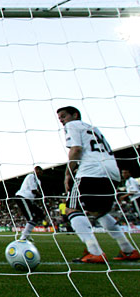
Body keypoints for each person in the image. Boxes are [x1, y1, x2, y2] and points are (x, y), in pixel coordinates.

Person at [57, 106, 139, 263]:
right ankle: (128, 250)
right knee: (98, 212)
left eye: (64, 116)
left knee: (71, 209)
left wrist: (68, 173)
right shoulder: (94, 129)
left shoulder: (72, 125)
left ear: (75, 115)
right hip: (112, 172)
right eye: (60, 118)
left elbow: (76, 149)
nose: (62, 120)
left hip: (91, 171)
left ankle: (95, 251)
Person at [13, 166, 45, 241]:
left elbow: (35, 193)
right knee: (31, 218)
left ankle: (26, 233)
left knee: (40, 214)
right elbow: (34, 190)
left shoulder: (38, 181)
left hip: (29, 200)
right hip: (23, 197)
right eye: (39, 171)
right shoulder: (31, 176)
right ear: (36, 170)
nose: (41, 173)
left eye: (42, 171)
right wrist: (43, 196)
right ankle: (23, 238)